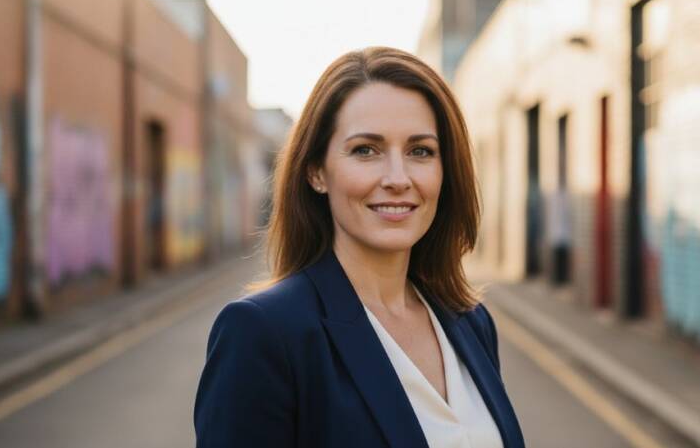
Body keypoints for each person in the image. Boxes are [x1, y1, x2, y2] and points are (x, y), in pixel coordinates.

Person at [193, 46, 525, 448]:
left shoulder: (471, 322)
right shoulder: (264, 334)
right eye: (366, 150)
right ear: (317, 171)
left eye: (420, 151)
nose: (398, 178)